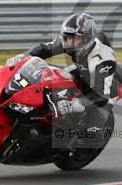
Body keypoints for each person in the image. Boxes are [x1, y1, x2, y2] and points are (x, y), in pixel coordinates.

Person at [27, 12, 116, 147]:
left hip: (103, 88)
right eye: (67, 38)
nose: (70, 43)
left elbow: (100, 95)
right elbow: (45, 49)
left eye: (75, 39)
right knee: (50, 76)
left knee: (90, 135)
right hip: (82, 70)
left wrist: (75, 104)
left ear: (87, 39)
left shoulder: (103, 60)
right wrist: (23, 57)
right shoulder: (70, 40)